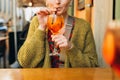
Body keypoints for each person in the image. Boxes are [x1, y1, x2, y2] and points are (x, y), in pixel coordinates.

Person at [17, 0, 98, 68]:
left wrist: (71, 48)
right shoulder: (37, 21)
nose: (57, 2)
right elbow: (24, 62)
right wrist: (41, 28)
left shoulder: (83, 26)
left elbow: (93, 65)